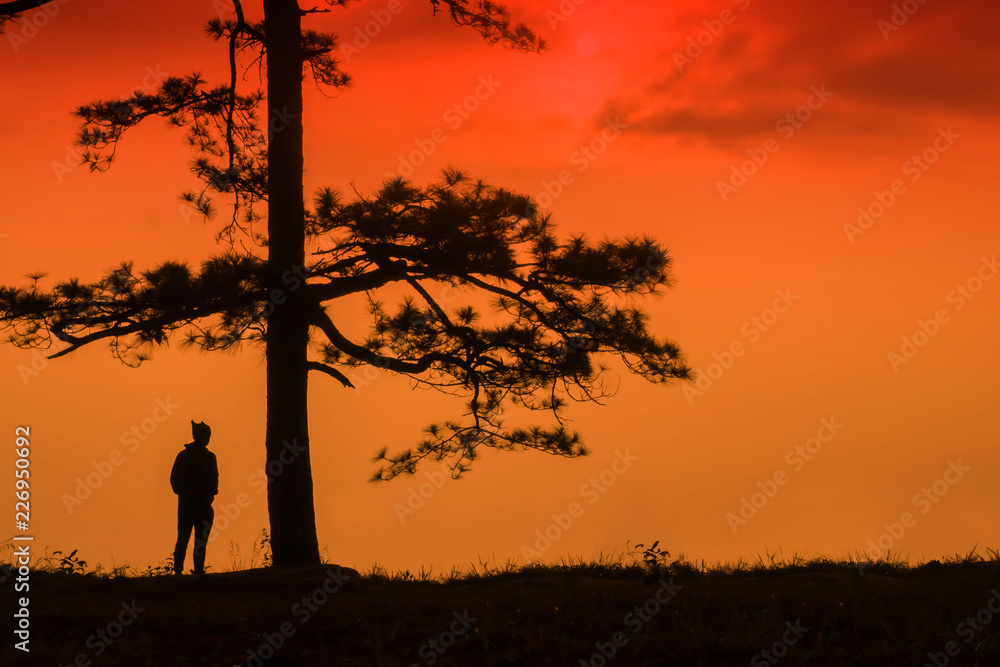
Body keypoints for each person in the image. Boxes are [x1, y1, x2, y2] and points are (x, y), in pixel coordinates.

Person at [170, 420, 219, 575]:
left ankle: (179, 571)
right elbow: (214, 481)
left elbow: (174, 479)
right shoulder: (209, 457)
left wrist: (183, 494)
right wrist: (207, 496)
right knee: (198, 541)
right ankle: (195, 571)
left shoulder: (184, 456)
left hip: (188, 504)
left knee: (183, 539)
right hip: (200, 505)